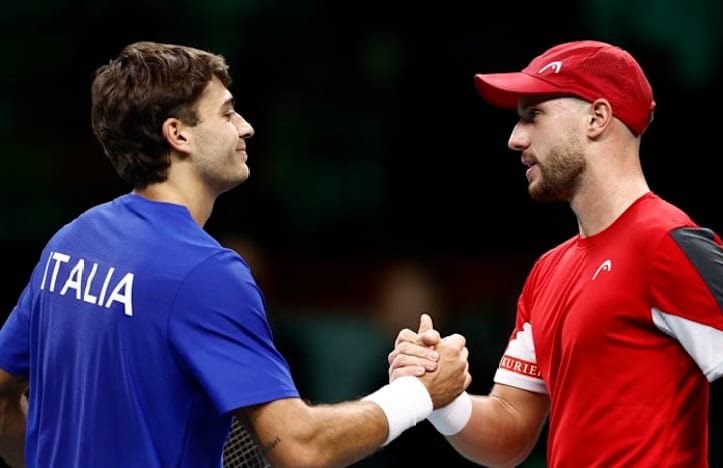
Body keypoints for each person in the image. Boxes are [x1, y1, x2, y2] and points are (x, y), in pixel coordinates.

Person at [0, 41, 471, 468]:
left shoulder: (70, 242)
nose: (245, 127)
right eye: (226, 114)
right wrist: (419, 394)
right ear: (177, 134)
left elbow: (4, 398)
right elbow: (299, 448)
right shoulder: (207, 272)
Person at [388, 40, 723, 467]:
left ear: (597, 117)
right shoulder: (547, 271)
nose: (516, 138)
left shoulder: (667, 242)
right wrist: (441, 397)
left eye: (534, 115)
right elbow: (510, 432)